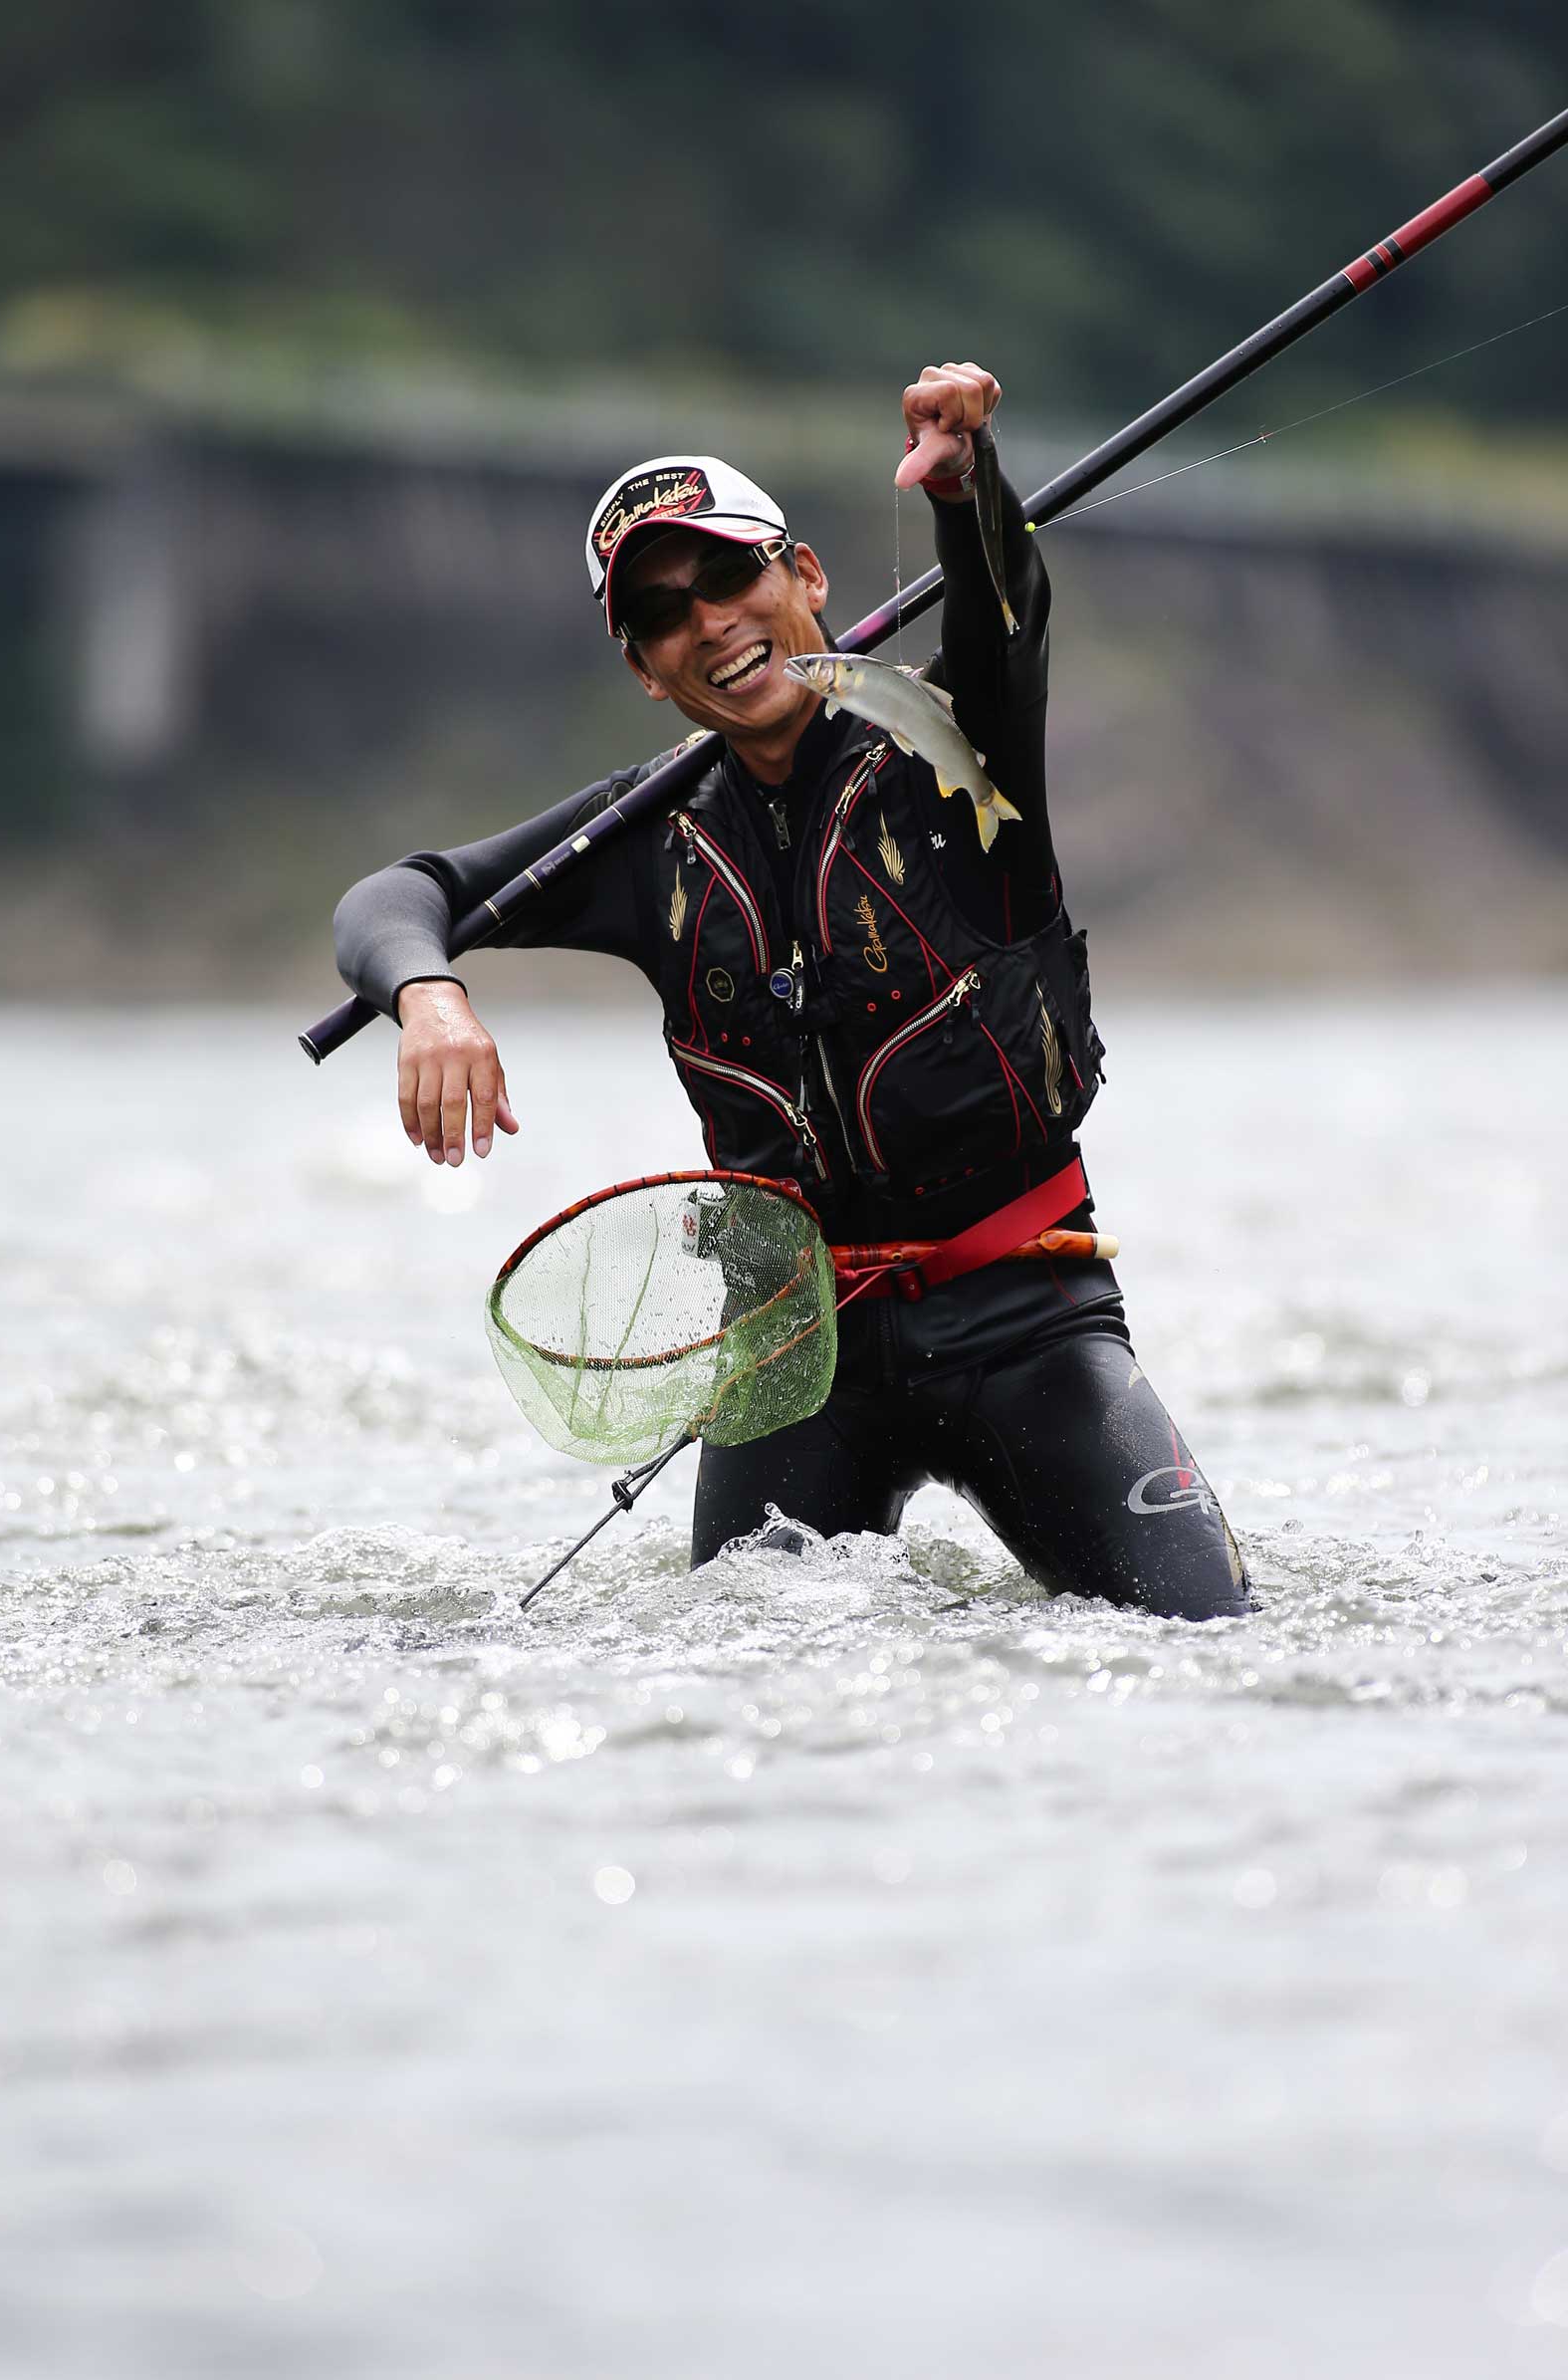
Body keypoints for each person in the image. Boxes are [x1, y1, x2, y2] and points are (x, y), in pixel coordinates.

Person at [334, 362, 1248, 1619]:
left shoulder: (953, 739)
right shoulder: (643, 835)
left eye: (728, 575)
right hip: (791, 1355)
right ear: (646, 670)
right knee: (726, 1681)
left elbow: (1001, 610)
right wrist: (428, 996)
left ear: (803, 575)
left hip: (1024, 1318)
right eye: (660, 613)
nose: (706, 619)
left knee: (1213, 1639)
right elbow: (397, 894)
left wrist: (964, 483)